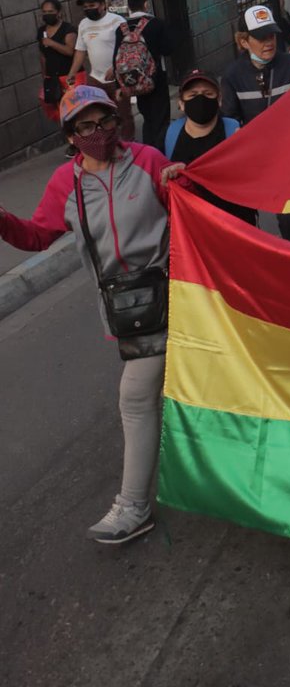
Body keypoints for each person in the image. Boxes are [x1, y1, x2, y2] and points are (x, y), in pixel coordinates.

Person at [0, 84, 180, 544]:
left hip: (174, 293)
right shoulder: (66, 182)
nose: (97, 132)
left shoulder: (146, 160)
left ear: (117, 122)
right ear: (71, 134)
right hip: (125, 309)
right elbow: (38, 236)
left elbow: (188, 211)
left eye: (104, 121)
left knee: (137, 399)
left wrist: (184, 182)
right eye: (85, 125)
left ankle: (135, 505)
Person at [221, 4, 290, 243]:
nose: (268, 42)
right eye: (260, 37)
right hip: (255, 161)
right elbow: (229, 120)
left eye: (271, 35)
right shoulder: (232, 75)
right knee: (247, 222)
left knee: (289, 219)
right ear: (244, 41)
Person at [164, 69, 254, 226]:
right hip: (193, 226)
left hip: (235, 225)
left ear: (219, 100)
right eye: (192, 95)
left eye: (208, 93)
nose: (201, 99)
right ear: (181, 104)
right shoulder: (171, 134)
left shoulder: (234, 132)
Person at [113, 0, 174, 152]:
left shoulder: (122, 28)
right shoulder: (156, 24)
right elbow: (168, 49)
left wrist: (119, 86)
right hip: (156, 79)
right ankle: (161, 152)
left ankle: (148, 152)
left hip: (133, 82)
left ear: (129, 6)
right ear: (146, 4)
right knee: (160, 119)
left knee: (147, 118)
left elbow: (116, 58)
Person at [67, 0, 133, 140]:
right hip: (95, 79)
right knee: (99, 115)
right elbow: (80, 51)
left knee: (123, 114)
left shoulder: (118, 21)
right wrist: (72, 72)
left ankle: (129, 143)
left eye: (92, 5)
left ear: (103, 5)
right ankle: (106, 142)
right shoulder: (83, 24)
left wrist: (115, 68)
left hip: (117, 78)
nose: (88, 9)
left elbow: (128, 48)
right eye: (85, 7)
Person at [37, 0, 77, 124]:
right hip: (52, 77)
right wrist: (45, 75)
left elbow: (70, 51)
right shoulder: (41, 31)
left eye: (50, 11)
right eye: (44, 12)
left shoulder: (68, 29)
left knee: (74, 109)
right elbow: (43, 55)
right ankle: (68, 132)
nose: (47, 14)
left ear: (58, 12)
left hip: (69, 76)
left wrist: (52, 43)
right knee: (51, 106)